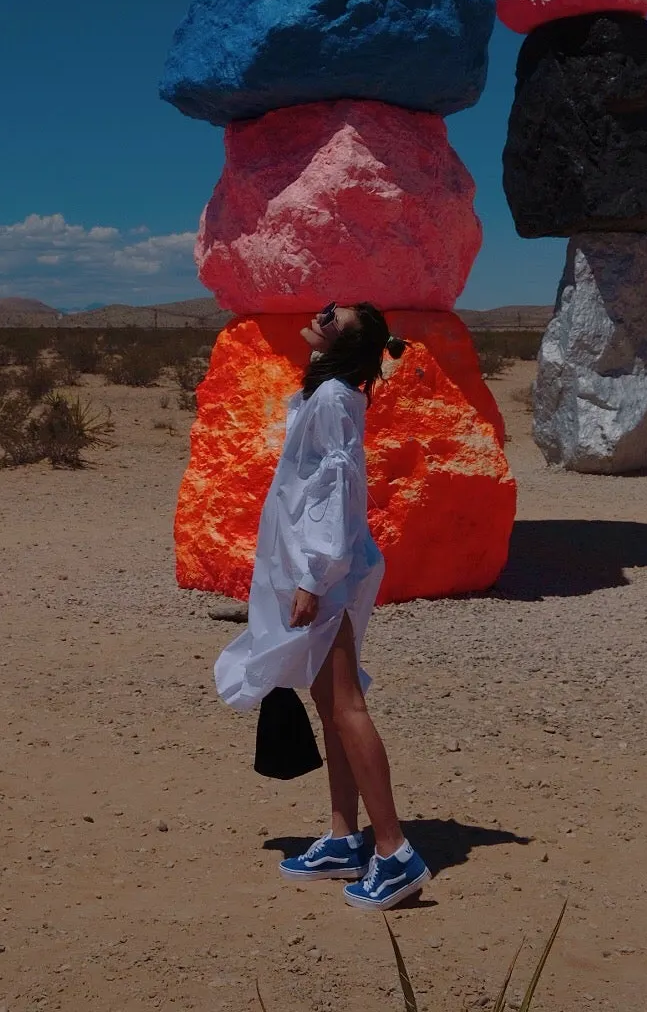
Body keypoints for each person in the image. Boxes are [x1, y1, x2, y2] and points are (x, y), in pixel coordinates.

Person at [214, 301, 431, 911]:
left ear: (348, 344)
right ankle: (343, 837)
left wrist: (312, 576)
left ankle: (393, 852)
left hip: (326, 572)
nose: (321, 314)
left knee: (344, 704)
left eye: (334, 316)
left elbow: (335, 489)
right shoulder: (327, 391)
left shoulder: (335, 395)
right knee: (328, 703)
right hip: (316, 567)